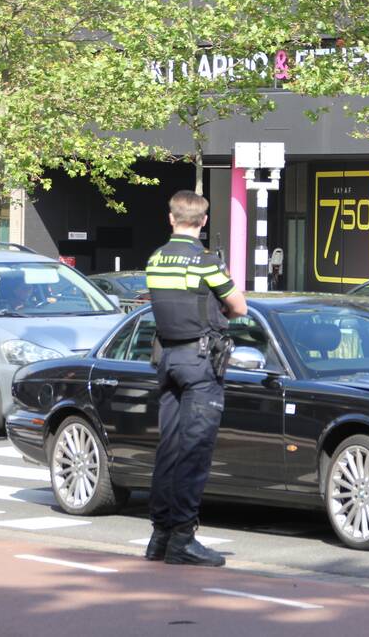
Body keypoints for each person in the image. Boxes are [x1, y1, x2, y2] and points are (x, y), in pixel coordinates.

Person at [144, 190, 247, 567]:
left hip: (166, 359)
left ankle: (160, 536)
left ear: (171, 218)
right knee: (194, 451)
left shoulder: (155, 259)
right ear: (203, 222)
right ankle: (183, 539)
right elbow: (238, 306)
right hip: (199, 362)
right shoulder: (204, 261)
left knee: (168, 449)